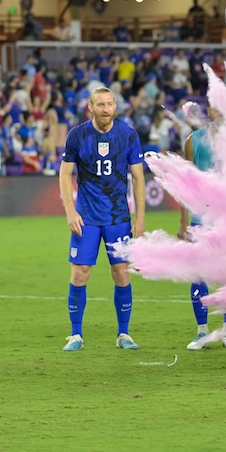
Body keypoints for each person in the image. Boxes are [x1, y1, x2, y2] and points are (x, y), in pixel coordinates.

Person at [58, 86, 145, 351]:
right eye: (101, 105)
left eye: (110, 104)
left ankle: (124, 334)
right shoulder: (78, 135)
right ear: (91, 107)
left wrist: (139, 216)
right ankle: (75, 335)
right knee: (80, 272)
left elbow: (138, 178)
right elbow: (64, 175)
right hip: (86, 217)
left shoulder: (128, 136)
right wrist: (71, 211)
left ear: (114, 107)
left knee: (121, 272)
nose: (106, 109)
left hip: (118, 216)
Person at [178, 111, 226, 351]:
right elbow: (186, 183)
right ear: (210, 109)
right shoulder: (193, 141)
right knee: (199, 274)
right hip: (199, 217)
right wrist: (183, 221)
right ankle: (201, 331)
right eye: (215, 105)